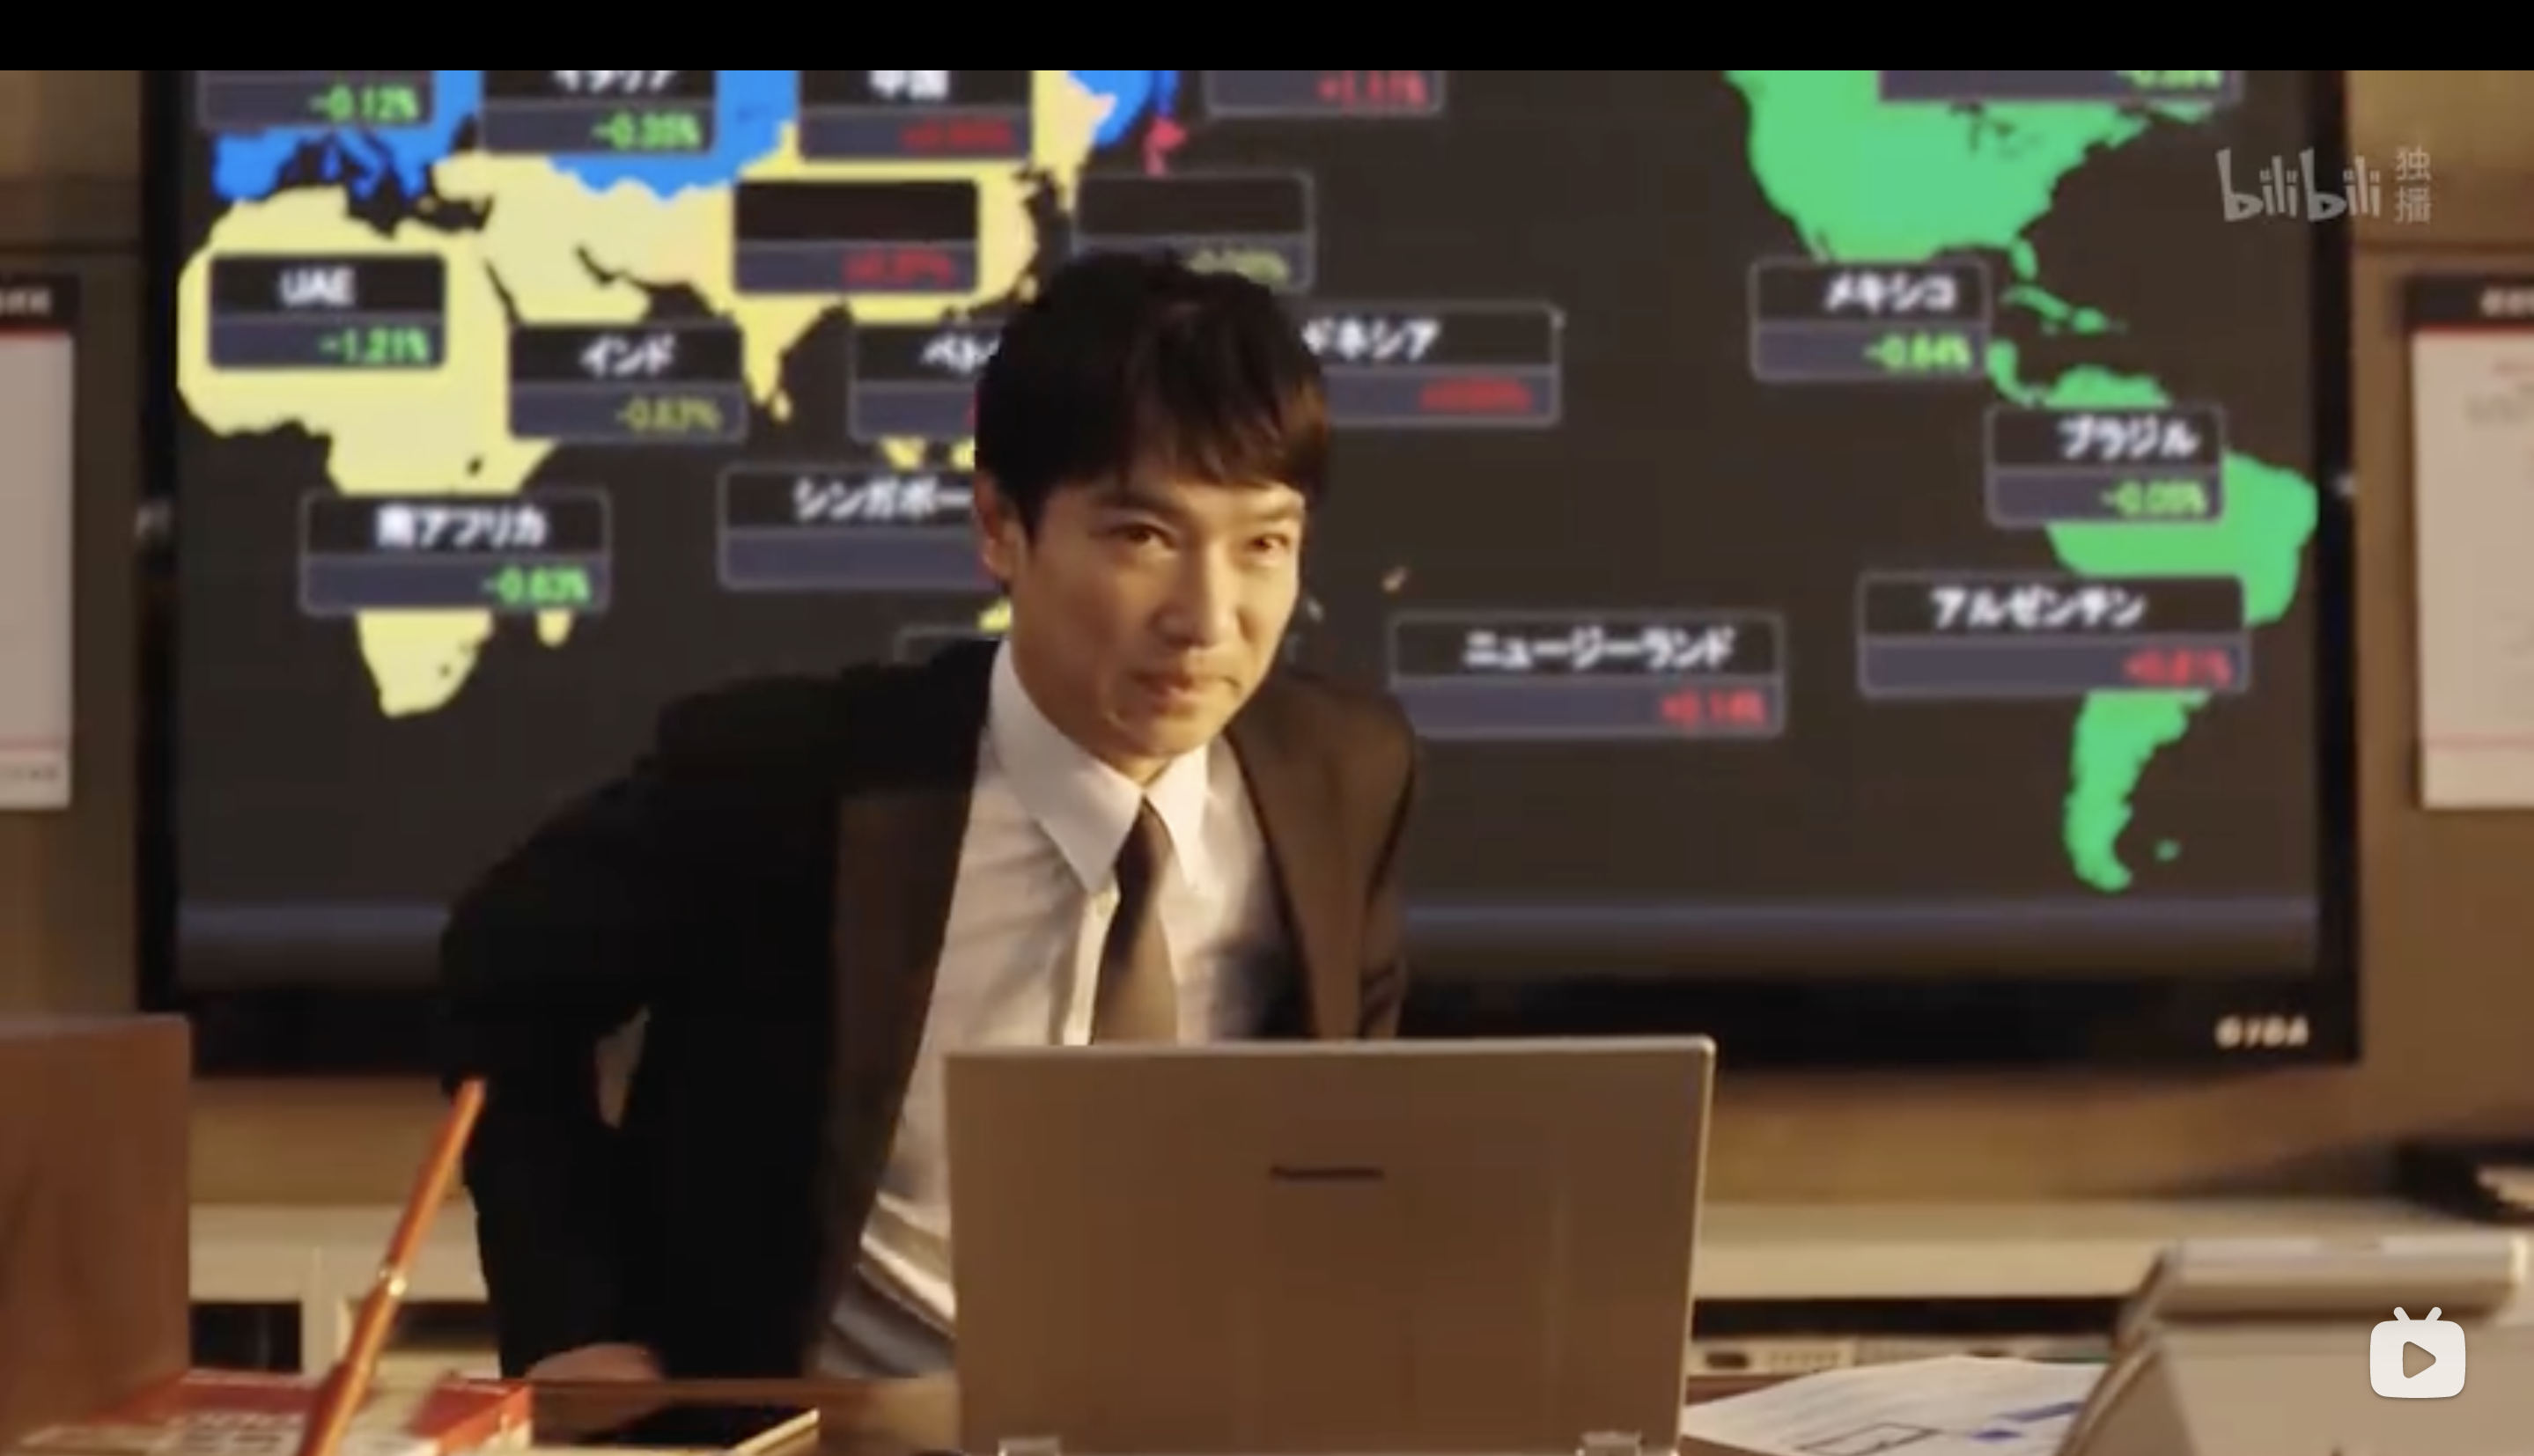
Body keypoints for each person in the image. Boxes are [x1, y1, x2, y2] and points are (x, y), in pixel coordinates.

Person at [439, 251, 1419, 1381]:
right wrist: (576, 1324)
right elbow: (496, 979)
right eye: (1143, 537)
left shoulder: (1342, 772)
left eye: (1263, 544)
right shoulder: (795, 783)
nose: (1208, 617)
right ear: (1000, 525)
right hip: (839, 1425)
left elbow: (1348, 1120)